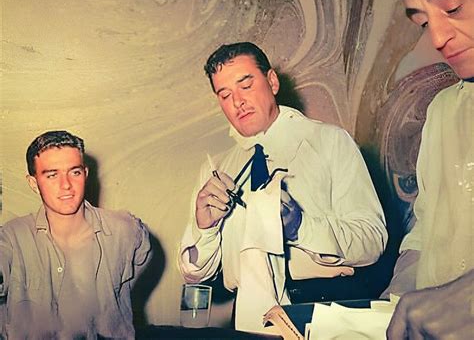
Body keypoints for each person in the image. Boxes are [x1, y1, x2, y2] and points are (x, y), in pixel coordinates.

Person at [179, 42, 387, 332]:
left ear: (273, 82)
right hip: (247, 319)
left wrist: (300, 227)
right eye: (224, 95)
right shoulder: (215, 170)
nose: (237, 102)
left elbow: (373, 240)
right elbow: (195, 274)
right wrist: (205, 229)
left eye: (246, 86)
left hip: (323, 310)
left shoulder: (331, 142)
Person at [384, 0, 474, 338]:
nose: (436, 39)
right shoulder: (439, 112)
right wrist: (400, 290)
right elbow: (426, 226)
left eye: (451, 7)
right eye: (423, 22)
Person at [0, 130, 151, 339]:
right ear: (34, 184)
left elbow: (142, 266)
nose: (66, 185)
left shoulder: (125, 230)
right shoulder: (12, 237)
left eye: (75, 172)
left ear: (86, 174)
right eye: (52, 175)